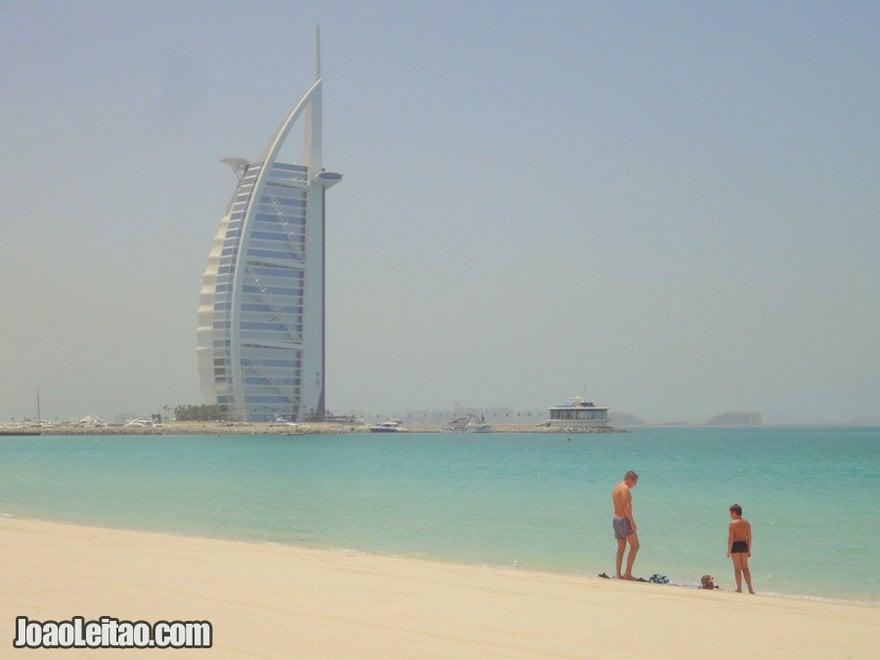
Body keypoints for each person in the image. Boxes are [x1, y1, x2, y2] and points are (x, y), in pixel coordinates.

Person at [611, 470, 639, 579]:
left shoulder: (616, 488)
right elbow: (626, 507)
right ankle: (627, 574)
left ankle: (618, 574)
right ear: (629, 479)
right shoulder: (625, 489)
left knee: (621, 548)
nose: (635, 485)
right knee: (635, 546)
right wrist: (632, 522)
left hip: (616, 519)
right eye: (635, 482)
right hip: (624, 520)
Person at [726, 503, 754, 594]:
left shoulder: (732, 523)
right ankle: (750, 589)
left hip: (736, 545)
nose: (730, 515)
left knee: (737, 568)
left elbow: (731, 538)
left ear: (734, 512)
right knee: (745, 567)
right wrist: (749, 549)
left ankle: (739, 588)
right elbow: (749, 537)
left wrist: (728, 551)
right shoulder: (747, 523)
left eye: (730, 513)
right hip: (744, 545)